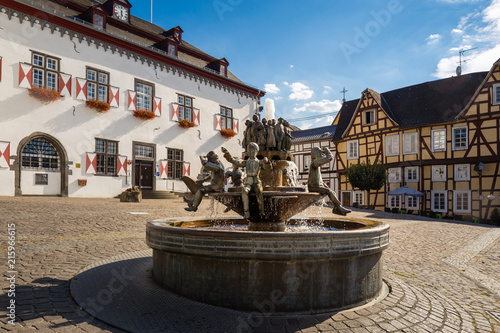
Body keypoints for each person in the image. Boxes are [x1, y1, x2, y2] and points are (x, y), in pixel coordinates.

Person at [222, 143, 271, 219]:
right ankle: (246, 211)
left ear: (257, 152)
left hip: (256, 181)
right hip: (248, 181)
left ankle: (261, 210)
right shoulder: (246, 162)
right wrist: (227, 154)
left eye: (253, 151)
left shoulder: (259, 162)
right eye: (249, 151)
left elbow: (268, 168)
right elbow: (235, 162)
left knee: (259, 190)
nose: (251, 153)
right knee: (244, 191)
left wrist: (267, 161)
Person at [308, 147, 351, 215]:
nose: (322, 155)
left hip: (316, 185)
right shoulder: (314, 163)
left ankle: (337, 209)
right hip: (313, 186)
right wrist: (327, 151)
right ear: (315, 154)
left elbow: (318, 179)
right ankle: (338, 207)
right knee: (329, 191)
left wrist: (324, 185)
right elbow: (329, 158)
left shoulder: (315, 164)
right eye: (320, 153)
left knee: (332, 191)